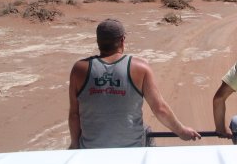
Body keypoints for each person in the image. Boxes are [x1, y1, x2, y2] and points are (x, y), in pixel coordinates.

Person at [69, 18, 201, 149]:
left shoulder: (79, 69)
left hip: (91, 148)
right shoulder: (140, 67)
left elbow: (74, 114)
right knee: (147, 130)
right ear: (122, 40)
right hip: (132, 147)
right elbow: (159, 108)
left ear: (98, 41)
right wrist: (182, 131)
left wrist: (74, 144)